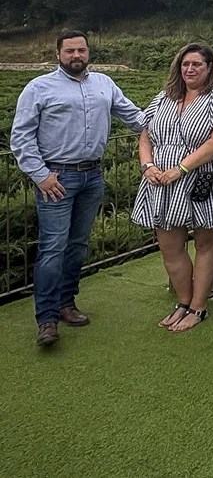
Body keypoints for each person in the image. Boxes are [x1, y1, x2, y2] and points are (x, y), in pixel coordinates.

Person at [11, 30, 144, 347]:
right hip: (56, 180)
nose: (76, 56)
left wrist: (176, 125)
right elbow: (21, 136)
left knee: (77, 245)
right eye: (69, 51)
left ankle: (66, 303)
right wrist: (40, 175)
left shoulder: (105, 84)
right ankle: (46, 319)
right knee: (53, 248)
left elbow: (135, 117)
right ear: (58, 54)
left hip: (92, 177)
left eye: (81, 50)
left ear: (88, 52)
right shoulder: (38, 88)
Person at [132, 43, 213, 332]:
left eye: (197, 64)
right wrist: (148, 166)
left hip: (202, 180)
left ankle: (198, 307)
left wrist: (180, 169)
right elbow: (145, 135)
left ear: (209, 67)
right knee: (170, 247)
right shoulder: (164, 97)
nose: (190, 69)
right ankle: (183, 302)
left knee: (205, 243)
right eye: (185, 64)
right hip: (161, 181)